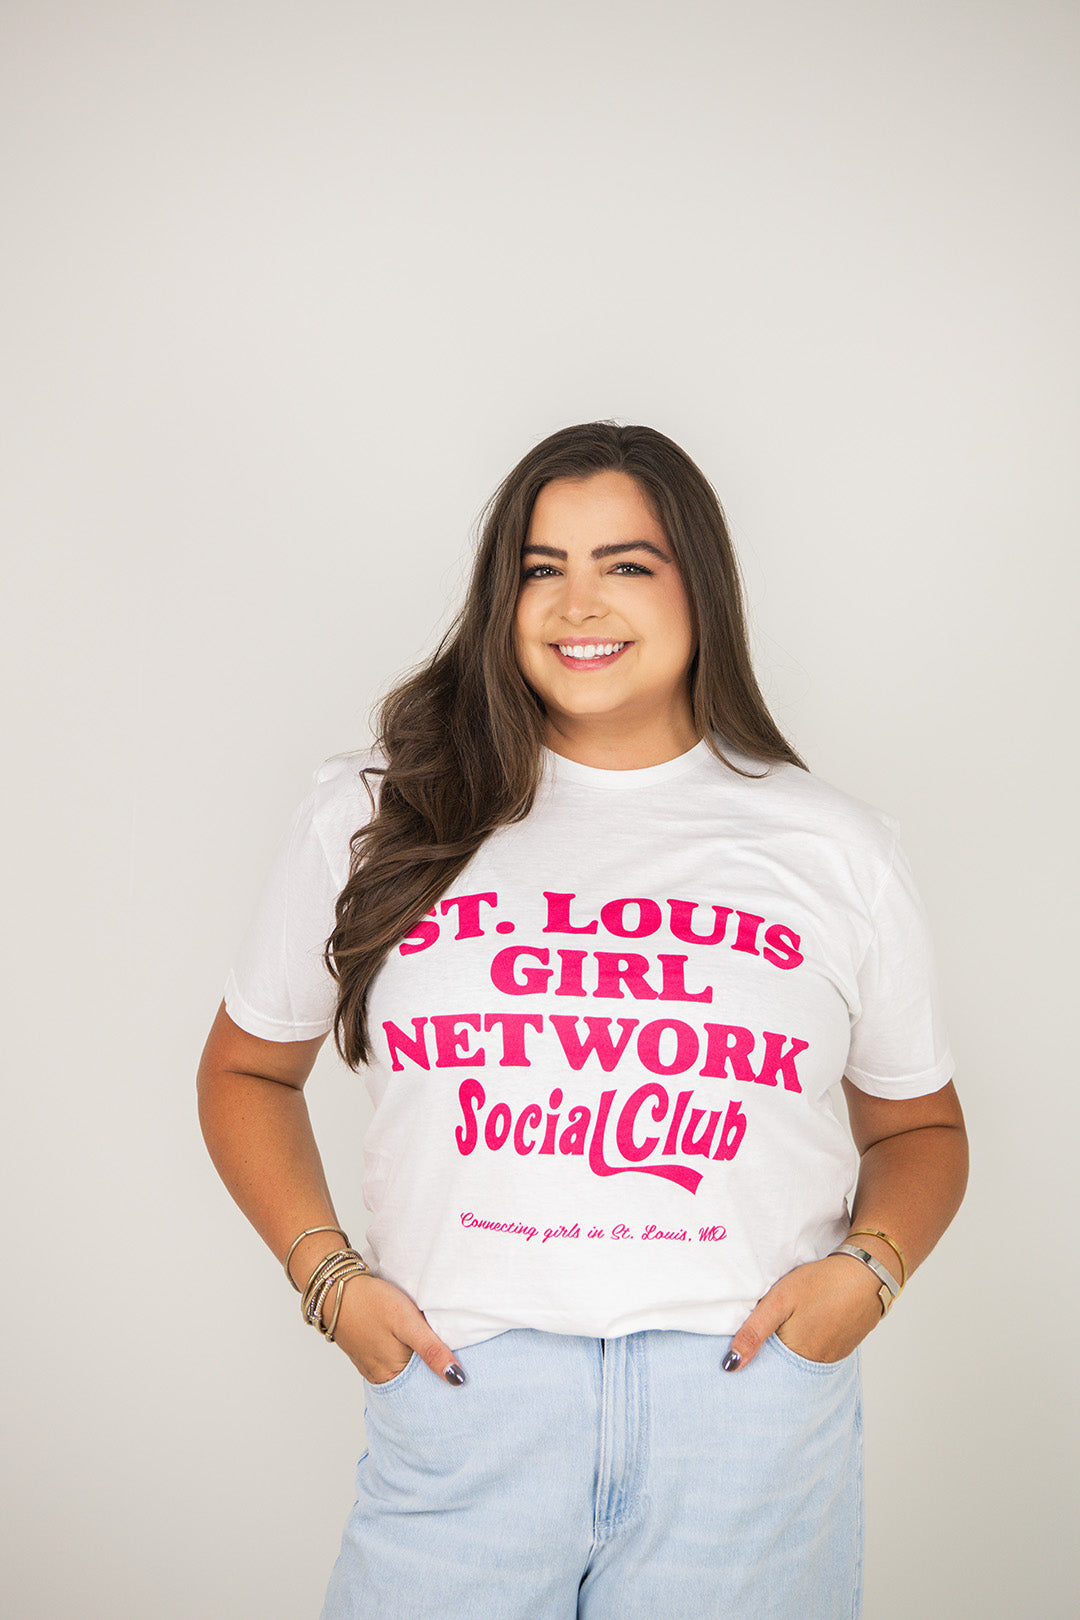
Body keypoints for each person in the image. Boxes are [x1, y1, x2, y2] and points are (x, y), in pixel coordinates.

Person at [197, 420, 968, 1619]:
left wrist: (867, 1277)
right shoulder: (382, 809)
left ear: (699, 587)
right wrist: (328, 1279)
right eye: (540, 567)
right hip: (467, 1397)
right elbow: (247, 1070)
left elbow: (921, 1130)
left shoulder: (834, 847)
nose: (577, 602)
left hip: (746, 1410)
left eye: (626, 563)